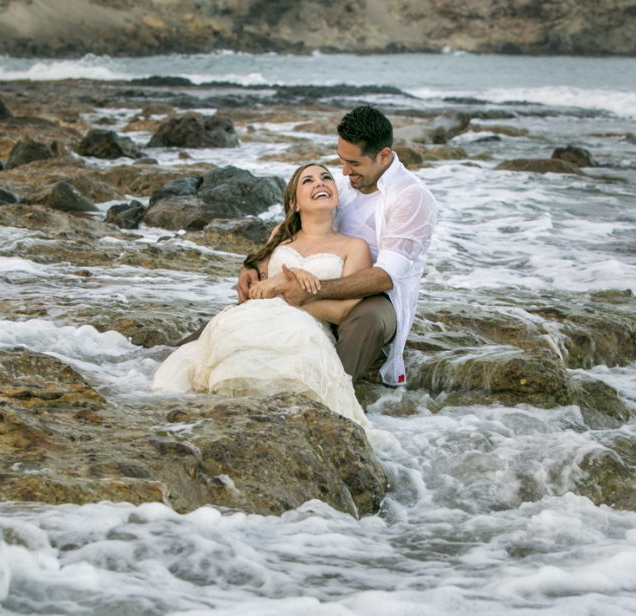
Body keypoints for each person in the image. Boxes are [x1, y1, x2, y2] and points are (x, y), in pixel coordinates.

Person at [153, 164, 371, 425]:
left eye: (326, 178)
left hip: (306, 332)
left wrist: (291, 292)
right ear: (294, 203)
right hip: (257, 316)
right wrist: (277, 281)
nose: (320, 183)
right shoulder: (281, 234)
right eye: (308, 181)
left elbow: (344, 312)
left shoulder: (354, 247)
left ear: (336, 195)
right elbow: (256, 291)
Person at [239, 105, 437, 387]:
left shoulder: (411, 196)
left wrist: (309, 292)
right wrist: (253, 265)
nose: (344, 171)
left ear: (383, 156)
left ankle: (329, 392)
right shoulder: (345, 182)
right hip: (324, 273)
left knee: (365, 320)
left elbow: (386, 276)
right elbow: (299, 224)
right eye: (341, 161)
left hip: (378, 295)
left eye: (353, 163)